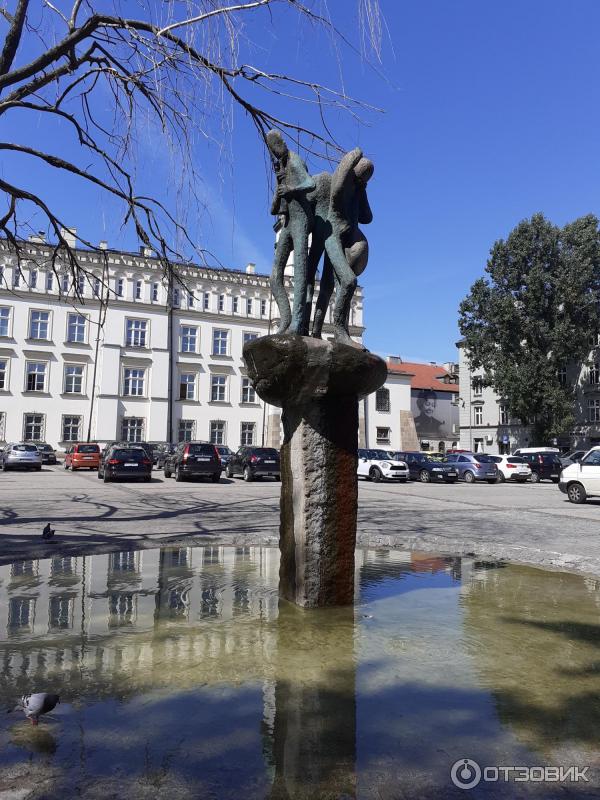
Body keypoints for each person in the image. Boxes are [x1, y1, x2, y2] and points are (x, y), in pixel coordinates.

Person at [267, 129, 315, 335]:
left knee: (300, 274)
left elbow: (310, 183)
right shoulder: (282, 167)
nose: (276, 152)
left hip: (301, 220)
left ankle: (298, 323)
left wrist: (291, 190)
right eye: (272, 150)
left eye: (277, 146)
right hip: (287, 222)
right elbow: (272, 209)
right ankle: (285, 320)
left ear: (282, 142)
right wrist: (280, 191)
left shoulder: (294, 160)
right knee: (275, 275)